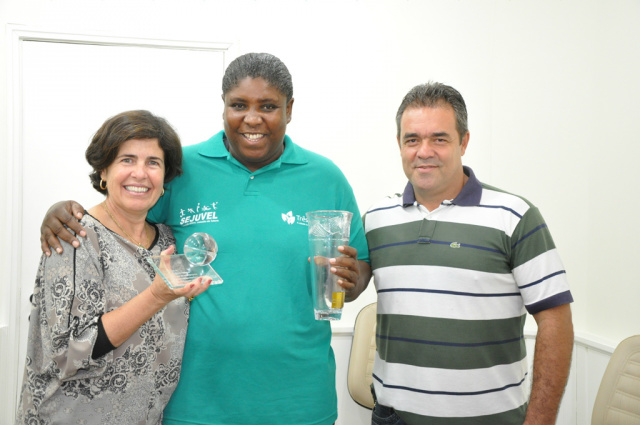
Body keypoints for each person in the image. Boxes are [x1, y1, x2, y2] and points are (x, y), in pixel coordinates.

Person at [38, 53, 372, 425]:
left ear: (289, 110)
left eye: (268, 106)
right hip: (194, 401)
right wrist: (64, 210)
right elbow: (123, 219)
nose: (252, 118)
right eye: (239, 105)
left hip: (299, 399)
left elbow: (359, 270)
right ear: (224, 107)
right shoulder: (183, 168)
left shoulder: (326, 177)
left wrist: (352, 277)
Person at [363, 82, 574, 425]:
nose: (424, 150)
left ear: (464, 142)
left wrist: (540, 419)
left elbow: (556, 322)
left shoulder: (515, 216)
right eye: (412, 139)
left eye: (439, 138)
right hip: (393, 419)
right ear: (399, 144)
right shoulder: (376, 219)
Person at [16, 110, 213, 425]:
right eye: (127, 160)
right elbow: (68, 353)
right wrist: (156, 296)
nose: (140, 173)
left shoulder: (168, 242)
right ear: (103, 171)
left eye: (153, 163)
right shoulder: (73, 236)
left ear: (165, 178)